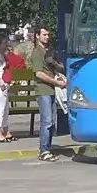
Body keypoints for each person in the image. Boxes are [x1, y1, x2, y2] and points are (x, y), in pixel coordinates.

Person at [29, 26, 67, 162]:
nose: (47, 37)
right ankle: (44, 150)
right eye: (44, 34)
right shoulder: (37, 53)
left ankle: (48, 148)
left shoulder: (49, 52)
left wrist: (57, 66)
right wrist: (56, 82)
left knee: (52, 121)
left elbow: (60, 66)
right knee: (47, 121)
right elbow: (39, 73)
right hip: (43, 90)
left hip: (52, 90)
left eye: (48, 35)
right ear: (37, 36)